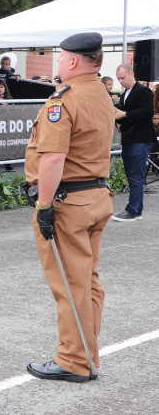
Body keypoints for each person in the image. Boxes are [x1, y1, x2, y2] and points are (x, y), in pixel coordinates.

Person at [25, 32, 114, 384]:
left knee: (69, 283)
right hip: (96, 196)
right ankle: (87, 355)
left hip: (68, 203)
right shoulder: (102, 95)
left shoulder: (63, 100)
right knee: (88, 281)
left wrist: (44, 206)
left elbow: (53, 159)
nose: (59, 63)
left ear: (74, 61)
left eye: (60, 58)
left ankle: (74, 360)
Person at [112, 64, 156, 221]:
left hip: (140, 139)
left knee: (135, 175)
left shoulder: (143, 90)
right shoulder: (126, 93)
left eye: (123, 78)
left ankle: (131, 210)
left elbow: (147, 112)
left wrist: (124, 114)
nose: (121, 81)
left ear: (132, 74)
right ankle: (137, 210)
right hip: (130, 138)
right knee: (133, 175)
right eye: (118, 79)